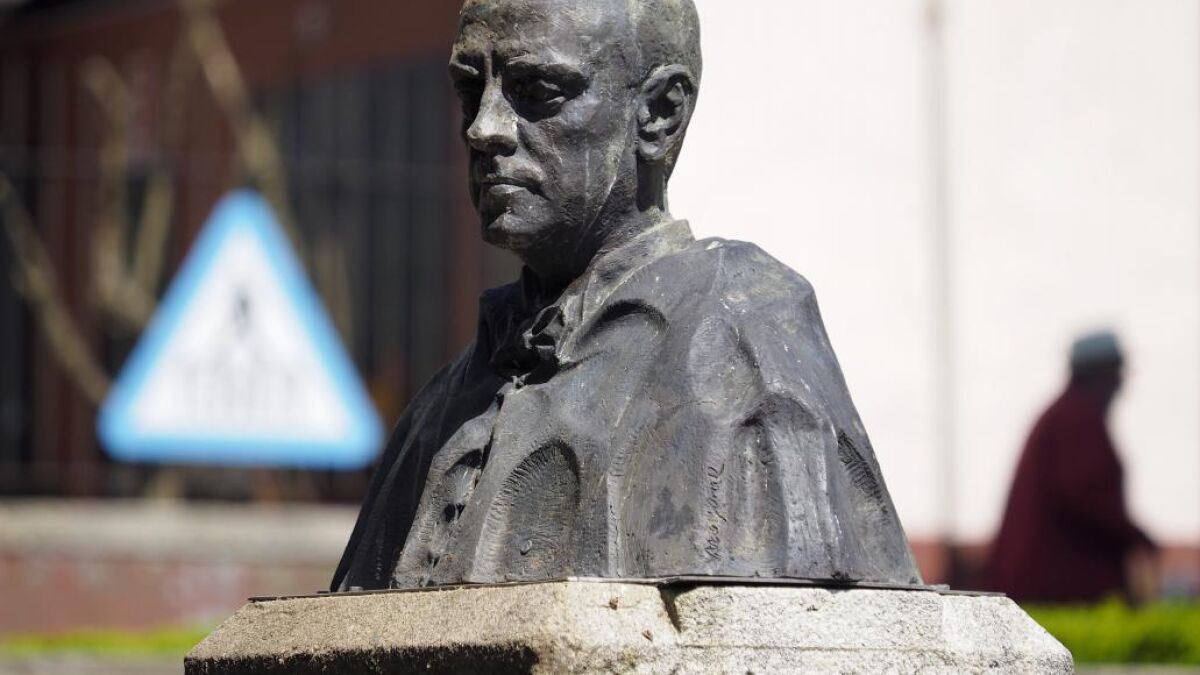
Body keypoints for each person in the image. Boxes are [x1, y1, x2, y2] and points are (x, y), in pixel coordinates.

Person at [332, 0, 921, 591]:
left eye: (537, 91)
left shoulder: (744, 333)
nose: (483, 129)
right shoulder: (443, 403)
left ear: (658, 115)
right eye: (470, 92)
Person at [985, 331, 1157, 603]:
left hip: (1048, 579)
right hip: (1052, 583)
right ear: (1098, 375)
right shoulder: (1075, 419)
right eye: (1115, 373)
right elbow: (1082, 496)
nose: (1120, 384)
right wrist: (1134, 536)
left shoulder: (1068, 415)